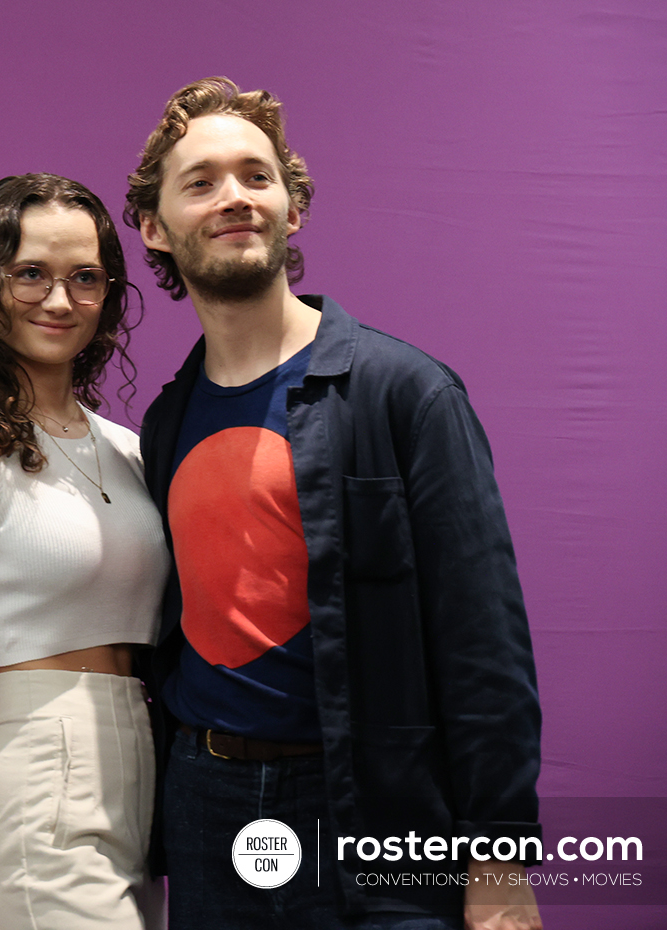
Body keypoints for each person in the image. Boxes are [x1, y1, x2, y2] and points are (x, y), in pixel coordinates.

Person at [123, 77, 543, 929]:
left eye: (256, 175)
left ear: (293, 206)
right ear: (155, 229)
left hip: (375, 813)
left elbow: (482, 644)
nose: (234, 197)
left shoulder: (407, 394)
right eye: (200, 182)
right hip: (207, 802)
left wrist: (501, 861)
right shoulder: (165, 422)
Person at [0, 173, 169, 930]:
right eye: (31, 274)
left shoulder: (129, 449)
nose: (59, 300)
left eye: (85, 278)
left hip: (146, 789)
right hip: (39, 785)